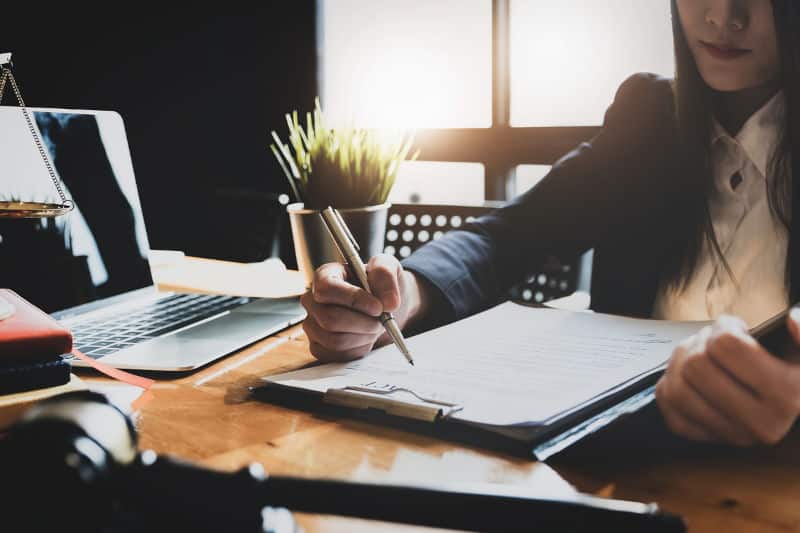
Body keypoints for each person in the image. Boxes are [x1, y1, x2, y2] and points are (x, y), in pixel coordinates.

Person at [300, 0, 800, 447]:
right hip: (614, 472)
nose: (723, 15)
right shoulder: (650, 117)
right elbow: (507, 237)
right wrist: (404, 295)